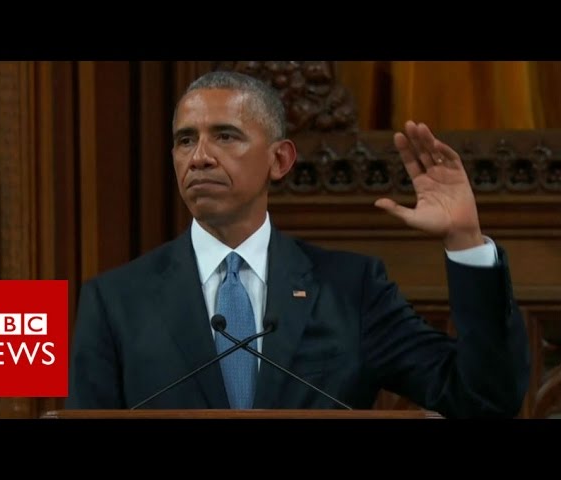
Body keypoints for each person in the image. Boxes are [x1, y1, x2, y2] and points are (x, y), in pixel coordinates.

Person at [66, 71, 530, 418]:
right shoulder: (115, 300)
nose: (200, 157)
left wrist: (465, 241)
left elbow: (483, 400)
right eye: (185, 141)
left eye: (225, 136)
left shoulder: (352, 289)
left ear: (280, 159)